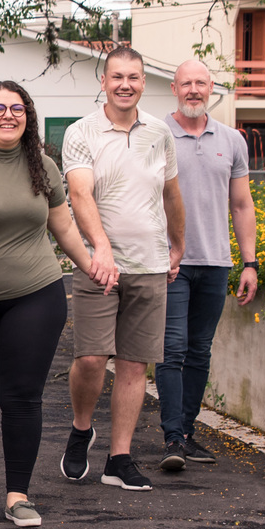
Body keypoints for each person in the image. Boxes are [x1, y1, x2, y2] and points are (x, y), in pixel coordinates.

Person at [0, 81, 112, 527]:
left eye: (17, 108)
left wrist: (92, 266)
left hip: (37, 293)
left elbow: (63, 227)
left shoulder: (41, 164)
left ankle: (18, 494)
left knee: (22, 396)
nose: (8, 115)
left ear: (28, 115)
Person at [59, 46, 184, 492]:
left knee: (133, 366)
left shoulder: (159, 133)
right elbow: (79, 194)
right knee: (92, 358)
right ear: (104, 81)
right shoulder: (82, 132)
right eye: (117, 77)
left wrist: (178, 245)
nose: (125, 84)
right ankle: (80, 427)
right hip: (99, 266)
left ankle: (119, 459)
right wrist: (102, 249)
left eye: (133, 77)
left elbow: (171, 194)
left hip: (150, 264)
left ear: (143, 81)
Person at [156, 59, 258, 471]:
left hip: (217, 261)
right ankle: (172, 437)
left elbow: (242, 204)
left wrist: (250, 262)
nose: (193, 90)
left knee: (199, 350)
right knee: (172, 348)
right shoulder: (156, 135)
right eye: (186, 84)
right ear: (174, 90)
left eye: (201, 83)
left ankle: (186, 431)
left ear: (211, 88)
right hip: (170, 262)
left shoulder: (232, 140)